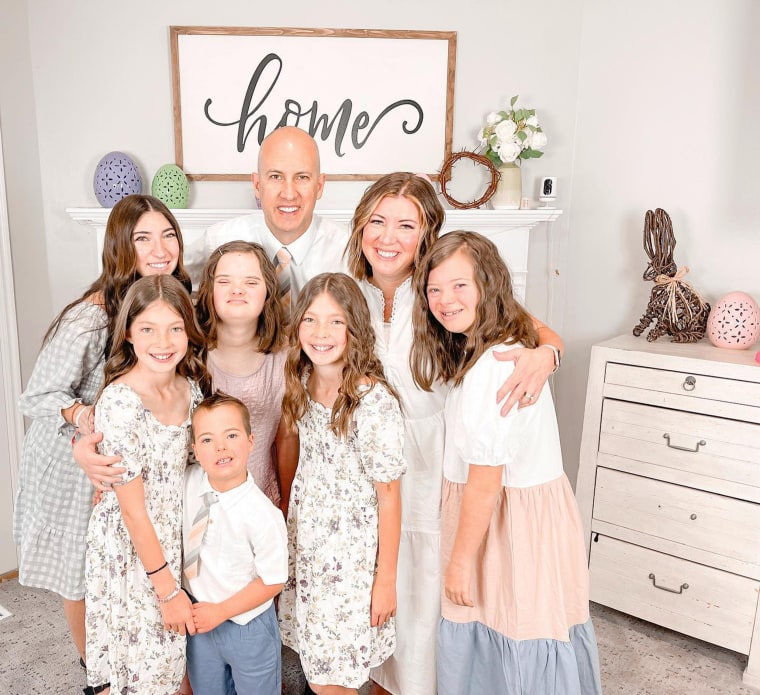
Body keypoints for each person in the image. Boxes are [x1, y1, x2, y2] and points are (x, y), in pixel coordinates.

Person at [343, 173, 565, 695]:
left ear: (427, 233)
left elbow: (528, 327)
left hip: (433, 460)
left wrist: (547, 354)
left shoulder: (442, 291)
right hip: (369, 461)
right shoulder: (349, 292)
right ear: (359, 229)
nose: (388, 237)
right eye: (376, 221)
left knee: (426, 583)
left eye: (406, 225)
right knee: (376, 578)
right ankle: (379, 678)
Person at [410, 231, 601, 695]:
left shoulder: (495, 366)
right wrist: (550, 350)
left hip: (503, 523)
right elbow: (543, 331)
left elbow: (485, 479)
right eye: (434, 289)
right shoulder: (510, 336)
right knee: (531, 623)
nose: (444, 300)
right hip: (526, 513)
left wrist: (458, 562)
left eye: (459, 286)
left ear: (488, 284)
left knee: (505, 629)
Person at [13, 194, 191, 667]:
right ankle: (97, 670)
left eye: (168, 235)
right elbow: (37, 396)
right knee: (82, 571)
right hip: (73, 457)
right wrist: (80, 420)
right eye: (143, 238)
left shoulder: (169, 300)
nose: (160, 248)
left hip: (123, 450)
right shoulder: (91, 317)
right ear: (120, 247)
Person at [278, 273, 406, 695]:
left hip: (350, 560)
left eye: (335, 322)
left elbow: (389, 496)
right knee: (319, 668)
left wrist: (384, 580)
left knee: (337, 678)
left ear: (355, 328)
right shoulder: (303, 381)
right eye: (311, 320)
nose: (321, 333)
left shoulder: (372, 403)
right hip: (312, 550)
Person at [84, 274, 209, 695]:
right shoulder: (120, 402)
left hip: (169, 535)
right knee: (134, 665)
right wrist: (167, 589)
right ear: (130, 334)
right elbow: (133, 510)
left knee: (166, 664)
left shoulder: (190, 390)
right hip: (130, 545)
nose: (164, 341)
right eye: (149, 329)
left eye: (175, 328)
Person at [184, 392, 288, 695]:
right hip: (200, 621)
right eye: (207, 440)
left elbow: (273, 580)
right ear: (195, 451)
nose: (221, 447)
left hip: (248, 624)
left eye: (231, 435)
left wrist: (222, 611)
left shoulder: (263, 514)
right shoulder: (189, 482)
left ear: (251, 442)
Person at [195, 241, 298, 514]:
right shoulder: (188, 351)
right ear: (210, 290)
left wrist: (286, 503)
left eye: (251, 282)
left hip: (260, 497)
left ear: (267, 292)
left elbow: (286, 436)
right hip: (199, 502)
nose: (237, 290)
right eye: (225, 281)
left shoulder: (285, 355)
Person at [205, 126, 349, 299]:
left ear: (319, 186)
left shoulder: (349, 250)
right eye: (276, 177)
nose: (289, 194)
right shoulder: (216, 241)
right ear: (257, 185)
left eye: (302, 177)